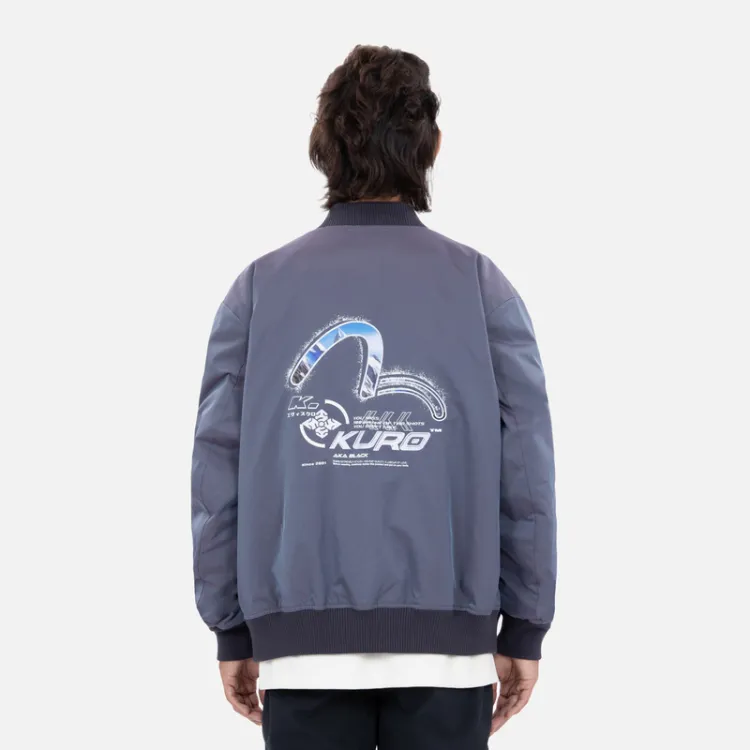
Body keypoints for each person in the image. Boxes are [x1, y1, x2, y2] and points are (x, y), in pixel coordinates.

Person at [191, 44, 556, 750]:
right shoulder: (480, 288)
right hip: (449, 657)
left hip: (300, 655)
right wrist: (525, 626)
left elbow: (216, 474)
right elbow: (527, 476)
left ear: (322, 150)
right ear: (433, 147)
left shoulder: (259, 290)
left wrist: (231, 626)